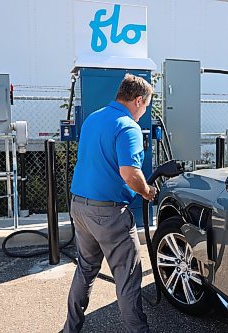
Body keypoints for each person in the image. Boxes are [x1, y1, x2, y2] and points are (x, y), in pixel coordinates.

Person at [63, 74, 156, 333]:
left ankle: (71, 329)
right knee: (127, 277)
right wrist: (147, 191)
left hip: (80, 207)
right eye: (146, 105)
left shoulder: (93, 118)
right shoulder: (128, 127)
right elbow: (130, 173)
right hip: (109, 214)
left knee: (86, 269)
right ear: (138, 100)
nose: (144, 111)